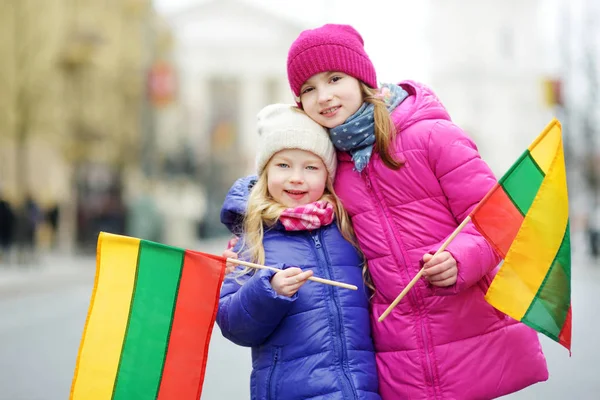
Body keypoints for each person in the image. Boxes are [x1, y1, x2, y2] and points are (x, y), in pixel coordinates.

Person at [227, 24, 549, 399]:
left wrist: (461, 259)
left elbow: (500, 219)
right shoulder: (330, 166)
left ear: (363, 79)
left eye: (334, 78)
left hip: (467, 334)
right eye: (309, 89)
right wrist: (246, 244)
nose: (325, 96)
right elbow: (294, 212)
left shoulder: (432, 136)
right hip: (399, 354)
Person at [217, 104, 381, 400]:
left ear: (327, 175)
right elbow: (234, 325)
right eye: (283, 165)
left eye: (310, 167)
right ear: (265, 172)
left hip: (359, 390)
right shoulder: (252, 236)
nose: (296, 177)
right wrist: (268, 291)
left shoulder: (346, 227)